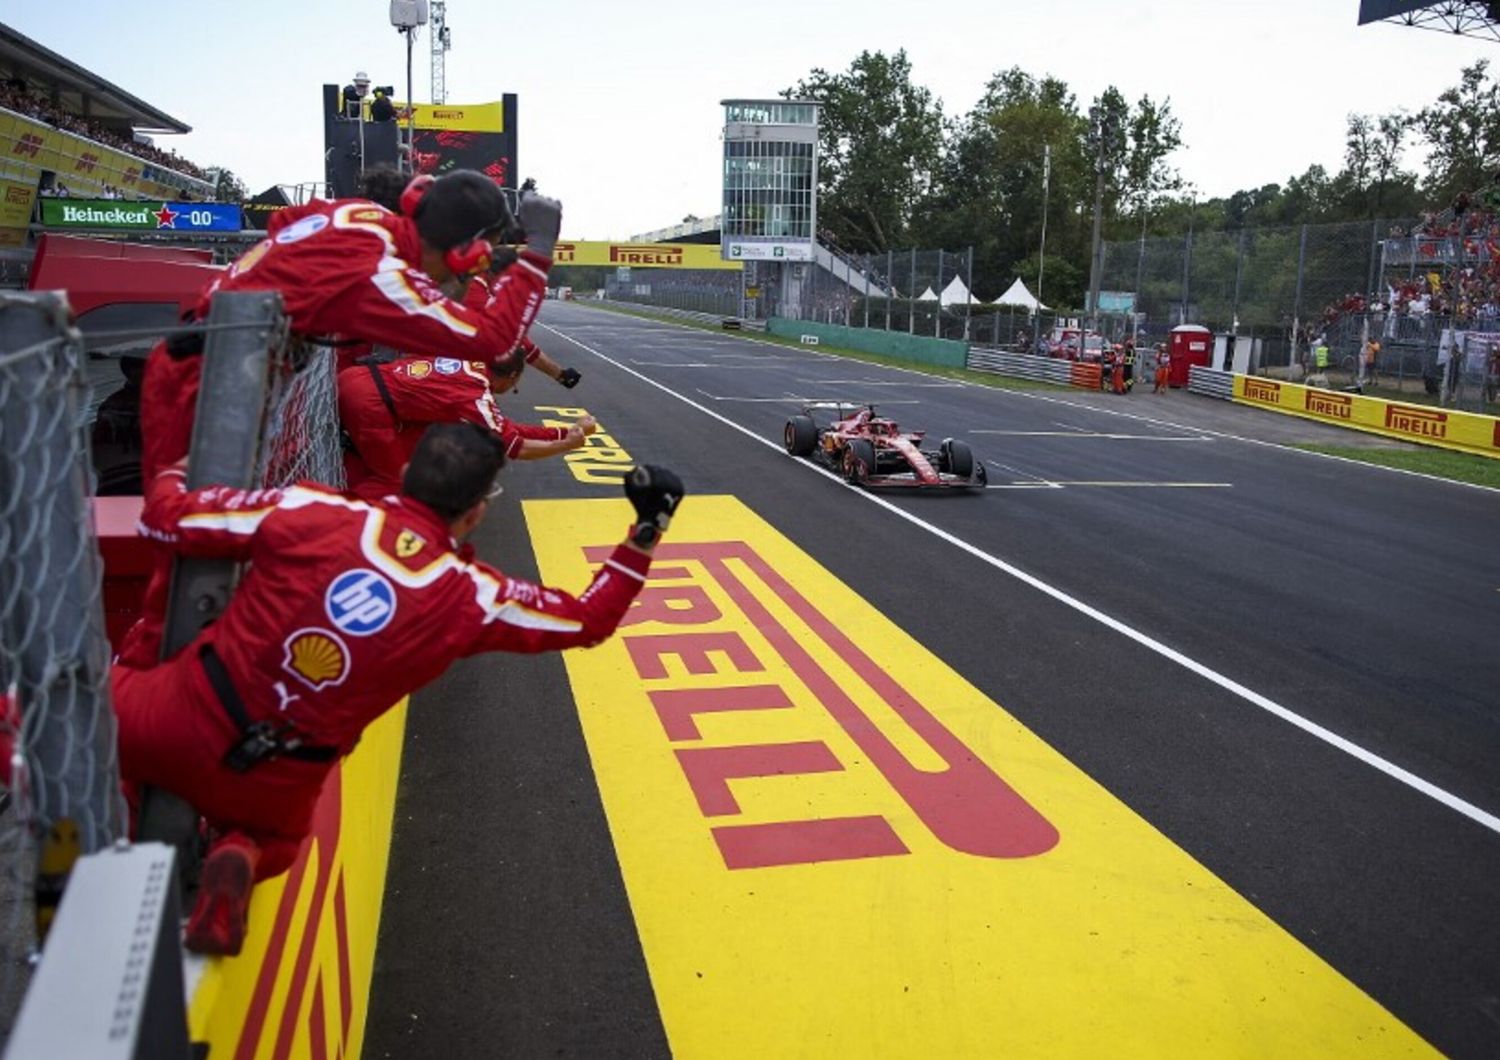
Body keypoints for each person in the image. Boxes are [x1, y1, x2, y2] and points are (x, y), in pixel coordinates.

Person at [116, 424, 685, 955]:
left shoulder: (313, 510)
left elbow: (168, 520)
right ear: (474, 514)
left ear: (407, 467)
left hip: (185, 707)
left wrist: (173, 472)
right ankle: (241, 849)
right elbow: (588, 620)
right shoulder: (470, 596)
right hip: (278, 772)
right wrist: (644, 532)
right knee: (279, 841)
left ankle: (89, 834)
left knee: (61, 713)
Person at [120, 172, 563, 669]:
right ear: (462, 252)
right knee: (188, 548)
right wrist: (539, 251)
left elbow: (287, 221)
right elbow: (492, 342)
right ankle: (151, 680)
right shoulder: (382, 276)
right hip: (212, 387)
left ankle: (179, 663)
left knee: (208, 532)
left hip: (217, 361)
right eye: (477, 256)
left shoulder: (361, 215)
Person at [338, 344, 595, 500]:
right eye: (515, 385)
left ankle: (348, 476)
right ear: (512, 376)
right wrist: (570, 444)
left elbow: (506, 429)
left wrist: (565, 432)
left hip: (355, 378)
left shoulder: (466, 363)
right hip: (368, 405)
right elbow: (516, 447)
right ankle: (340, 518)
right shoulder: (476, 394)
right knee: (397, 482)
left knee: (417, 447)